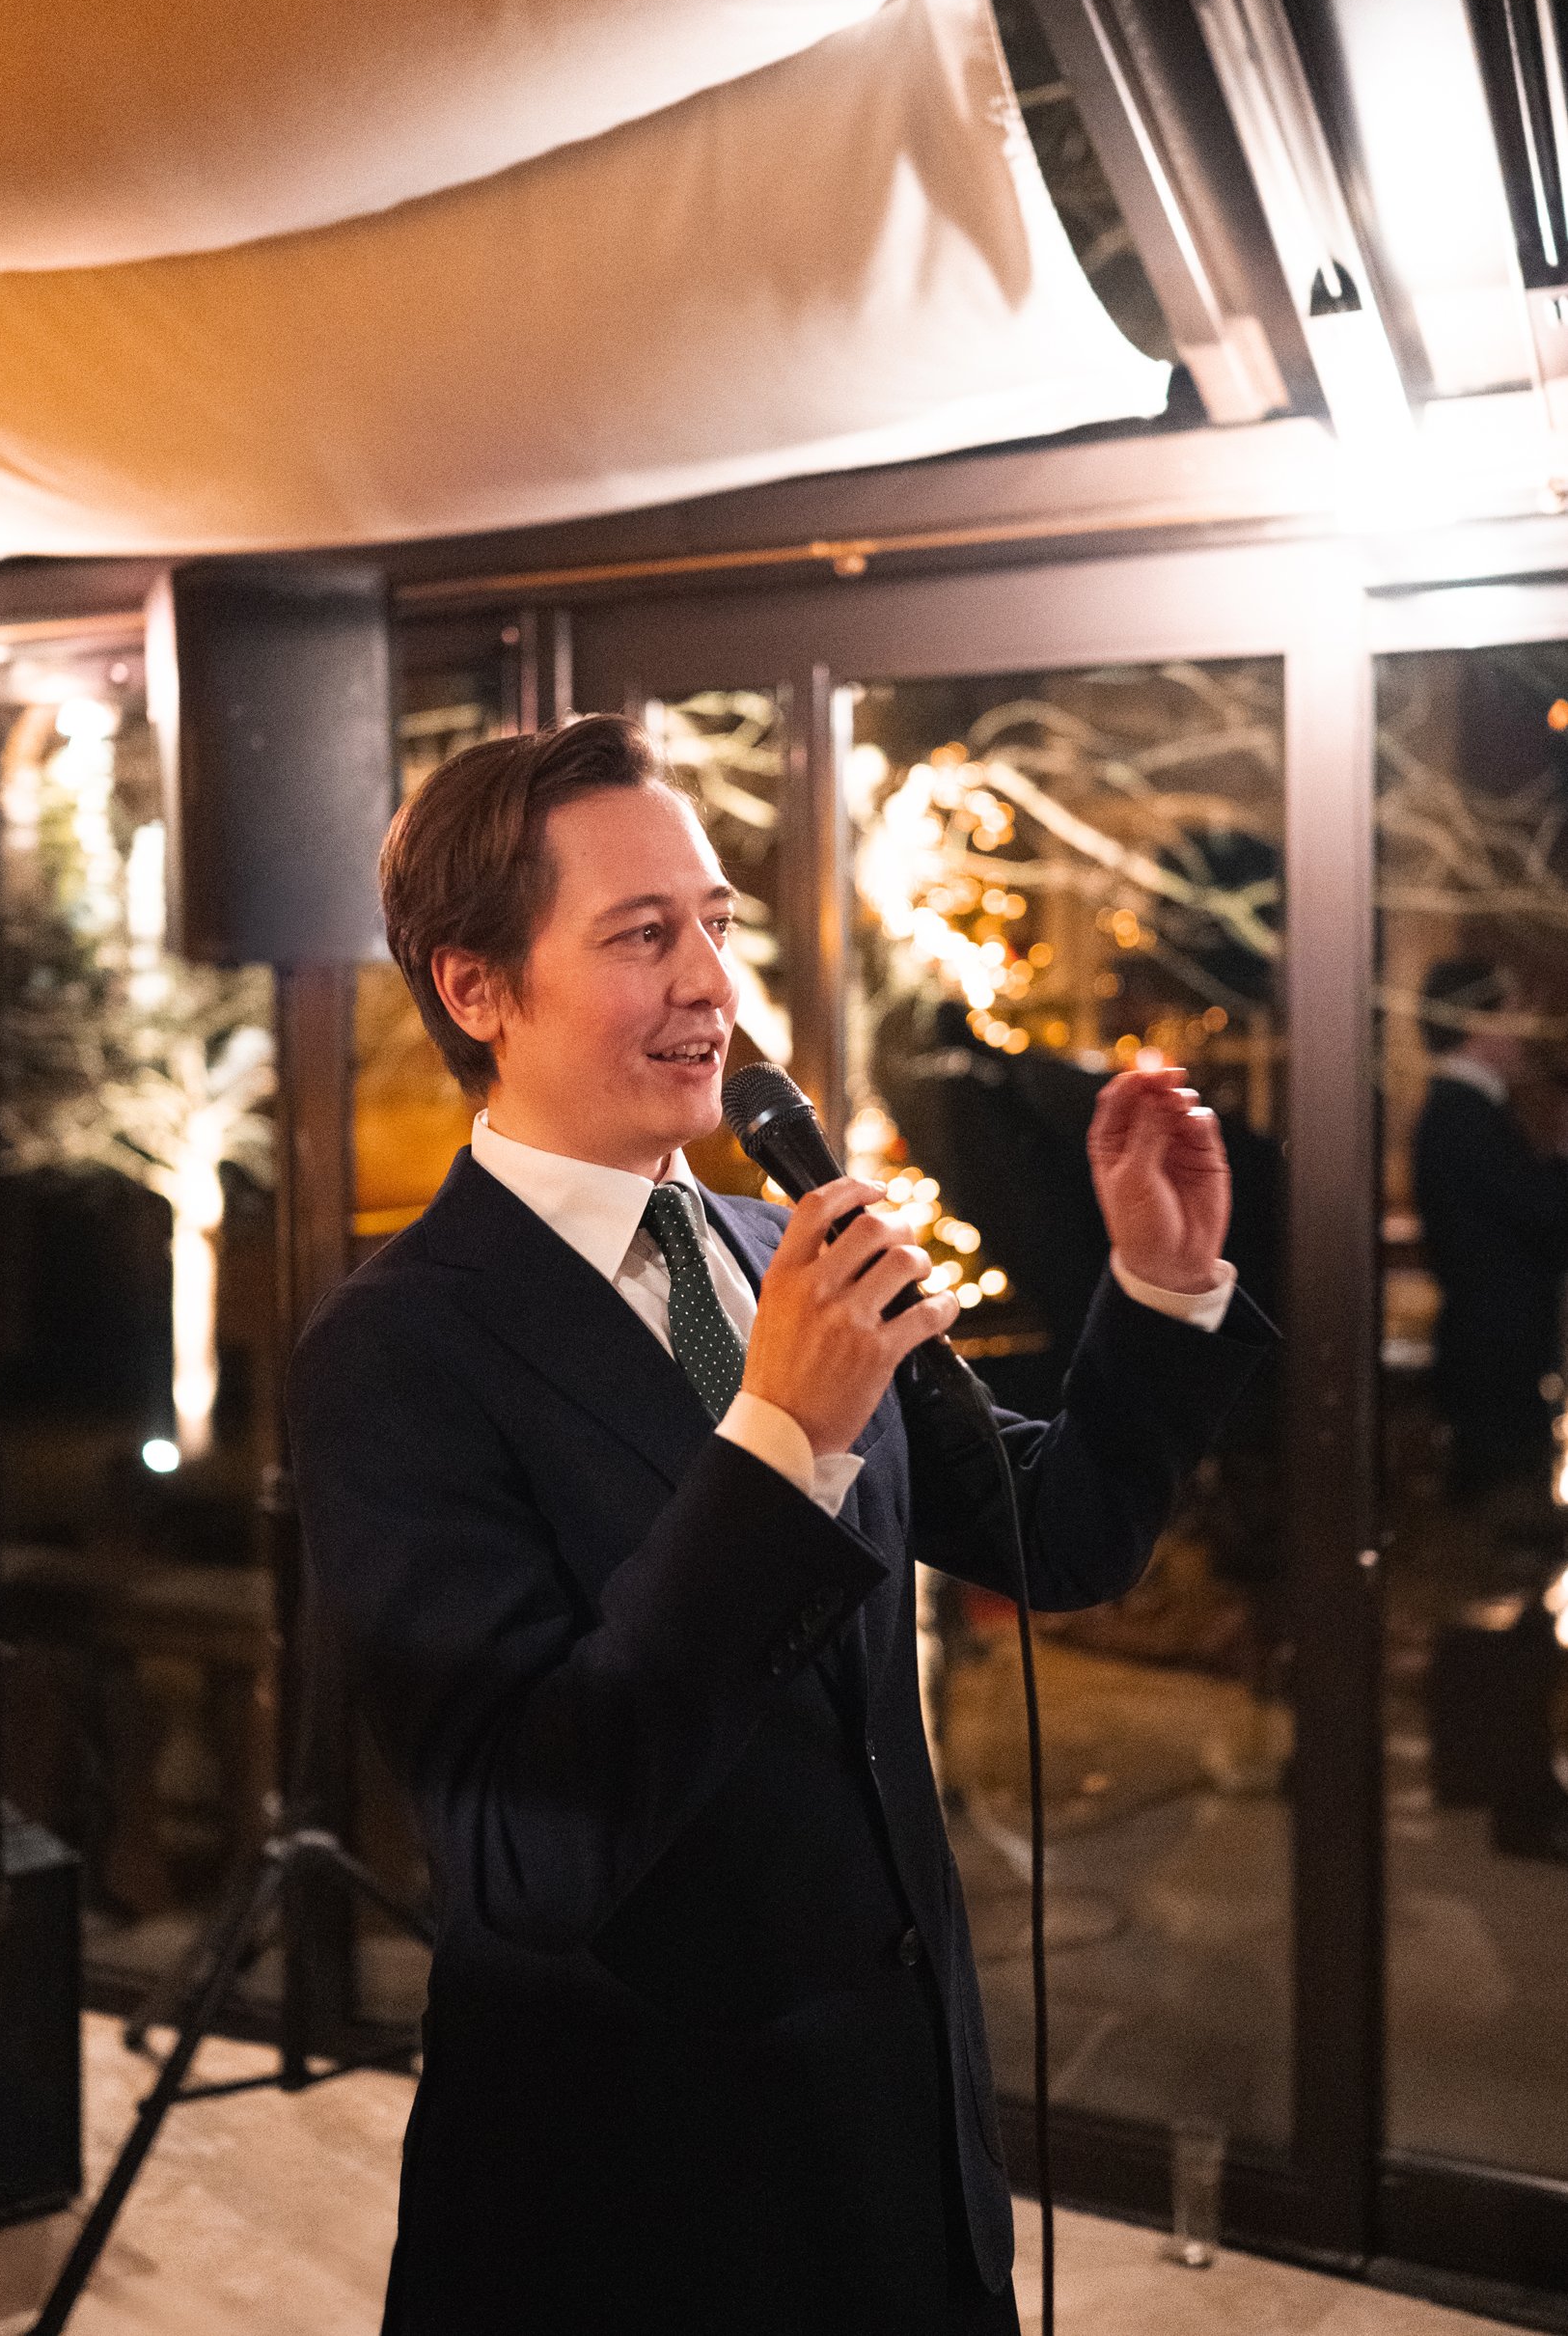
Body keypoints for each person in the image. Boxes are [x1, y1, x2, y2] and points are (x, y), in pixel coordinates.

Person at [286, 714, 1277, 2336]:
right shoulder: (395, 1350)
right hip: (629, 2205)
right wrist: (776, 1442)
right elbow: (530, 1853)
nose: (709, 985)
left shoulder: (773, 1247)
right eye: (640, 936)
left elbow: (1055, 1534)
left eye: (714, 924)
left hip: (899, 2143)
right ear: (475, 989)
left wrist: (1161, 1288)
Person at [1414, 955, 1568, 1525]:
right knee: (1501, 1521)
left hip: (1492, 1354)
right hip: (1495, 1360)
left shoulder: (1464, 1111)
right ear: (1477, 1023)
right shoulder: (1462, 1116)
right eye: (1511, 1010)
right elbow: (1542, 1219)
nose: (1524, 1026)